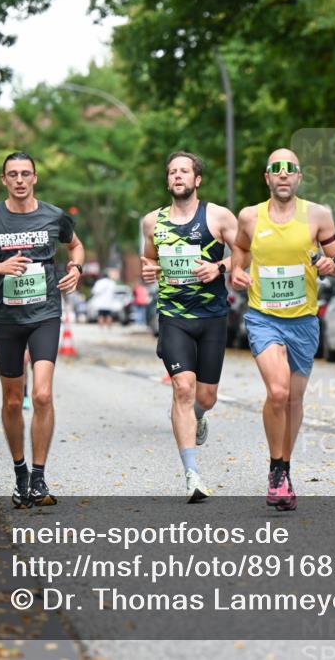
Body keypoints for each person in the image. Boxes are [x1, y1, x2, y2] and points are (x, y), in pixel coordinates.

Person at [0, 151, 84, 509]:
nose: (19, 180)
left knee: (41, 395)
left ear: (35, 178)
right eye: (12, 174)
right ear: (4, 180)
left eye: (25, 173)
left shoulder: (54, 216)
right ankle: (20, 472)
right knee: (13, 400)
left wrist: (76, 268)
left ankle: (39, 477)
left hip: (45, 315)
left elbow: (76, 246)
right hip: (7, 320)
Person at [230, 148, 335, 512]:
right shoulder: (250, 216)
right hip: (263, 316)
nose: (283, 175)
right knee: (278, 392)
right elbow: (240, 247)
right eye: (276, 170)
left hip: (304, 320)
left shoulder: (317, 215)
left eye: (290, 169)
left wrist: (332, 264)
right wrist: (236, 270)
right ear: (267, 178)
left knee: (295, 399)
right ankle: (276, 470)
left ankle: (283, 468)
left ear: (298, 177)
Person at [140, 151, 238, 503]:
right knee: (183, 388)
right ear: (168, 181)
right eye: (172, 172)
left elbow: (247, 252)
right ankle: (192, 475)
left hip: (211, 316)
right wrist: (148, 270)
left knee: (205, 396)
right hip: (173, 317)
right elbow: (148, 259)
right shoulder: (152, 221)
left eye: (184, 171)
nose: (177, 176)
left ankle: (198, 415)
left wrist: (221, 268)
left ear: (197, 180)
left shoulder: (218, 216)